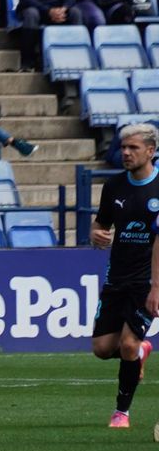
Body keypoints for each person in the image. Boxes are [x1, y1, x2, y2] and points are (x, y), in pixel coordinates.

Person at [92, 123, 159, 429]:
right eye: (123, 148)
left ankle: (121, 412)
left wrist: (156, 288)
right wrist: (97, 235)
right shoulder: (114, 187)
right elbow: (100, 225)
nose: (126, 153)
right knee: (103, 349)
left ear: (151, 151)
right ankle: (142, 351)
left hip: (146, 280)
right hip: (116, 276)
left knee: (128, 344)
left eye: (133, 148)